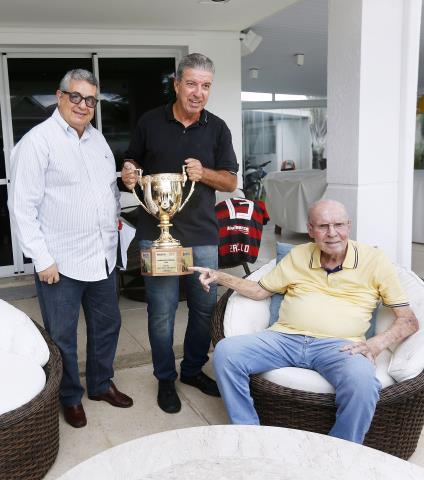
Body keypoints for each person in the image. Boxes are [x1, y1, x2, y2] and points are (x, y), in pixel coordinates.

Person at [191, 199, 419, 444]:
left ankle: (339, 452)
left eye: (338, 224)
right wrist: (220, 277)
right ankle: (248, 435)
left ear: (349, 226)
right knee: (226, 352)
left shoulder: (374, 261)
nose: (332, 233)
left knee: (363, 383)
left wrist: (376, 344)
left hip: (340, 347)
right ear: (310, 230)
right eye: (323, 226)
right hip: (284, 338)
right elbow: (259, 291)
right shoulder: (298, 255)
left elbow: (408, 321)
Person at [8, 69, 133, 429]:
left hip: (103, 256)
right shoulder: (37, 142)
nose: (83, 105)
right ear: (59, 96)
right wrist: (41, 258)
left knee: (108, 325)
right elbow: (22, 207)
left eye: (90, 99)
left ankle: (100, 384)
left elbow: (101, 189)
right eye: (75, 96)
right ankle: (70, 397)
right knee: (62, 336)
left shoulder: (97, 141)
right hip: (59, 263)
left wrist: (122, 183)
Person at [121, 53, 238, 414]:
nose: (198, 92)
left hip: (202, 235)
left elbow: (232, 181)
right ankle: (165, 379)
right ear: (176, 84)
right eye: (191, 83)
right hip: (155, 234)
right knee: (161, 311)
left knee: (203, 309)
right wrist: (129, 171)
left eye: (205, 86)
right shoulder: (149, 122)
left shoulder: (217, 128)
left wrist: (206, 174)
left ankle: (191, 370)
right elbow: (133, 162)